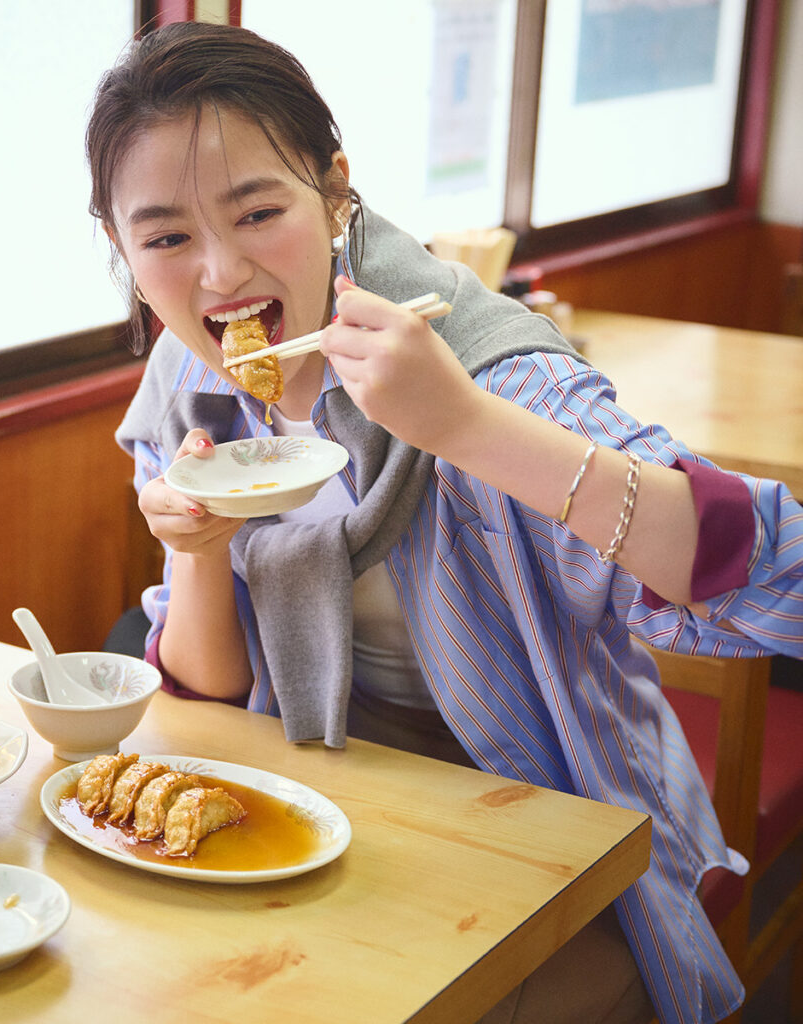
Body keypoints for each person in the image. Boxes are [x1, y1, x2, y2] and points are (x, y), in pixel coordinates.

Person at [86, 21, 803, 1024]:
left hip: (552, 842)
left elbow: (785, 584)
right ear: (123, 247)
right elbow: (209, 687)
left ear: (336, 191)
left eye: (257, 211)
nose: (218, 275)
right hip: (317, 809)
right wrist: (194, 551)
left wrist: (463, 425)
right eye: (165, 238)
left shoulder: (481, 363)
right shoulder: (191, 381)